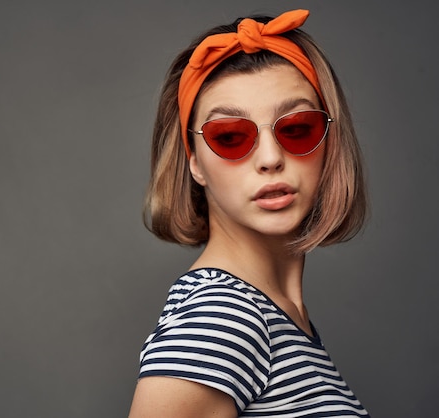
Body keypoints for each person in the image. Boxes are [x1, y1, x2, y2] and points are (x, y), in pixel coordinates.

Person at [128, 9, 370, 417]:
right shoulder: (223, 318)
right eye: (231, 137)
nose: (271, 158)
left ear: (330, 140)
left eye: (297, 128)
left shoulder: (276, 316)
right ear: (194, 162)